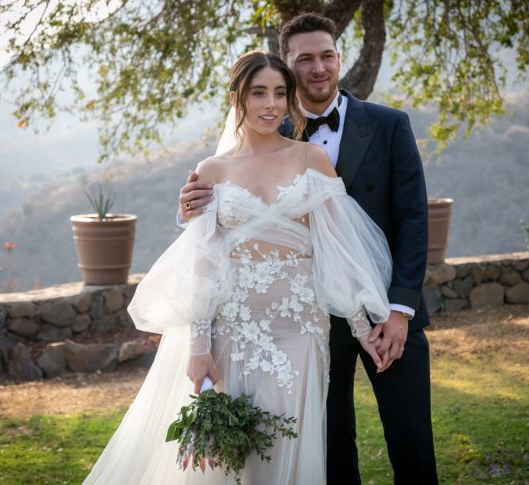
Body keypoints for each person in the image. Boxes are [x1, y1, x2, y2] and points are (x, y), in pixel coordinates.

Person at [83, 50, 395, 485]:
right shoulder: (212, 169)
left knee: (287, 444)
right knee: (237, 456)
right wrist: (198, 346)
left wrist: (363, 329)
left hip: (300, 329)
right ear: (238, 98)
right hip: (233, 327)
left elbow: (336, 250)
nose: (271, 104)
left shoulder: (312, 160)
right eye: (259, 93)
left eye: (281, 93)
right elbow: (204, 263)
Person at [178, 13, 438, 485]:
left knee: (411, 439)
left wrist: (395, 310)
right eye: (304, 60)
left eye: (326, 56)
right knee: (327, 449)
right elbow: (215, 233)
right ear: (288, 67)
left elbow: (413, 220)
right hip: (305, 321)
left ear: (339, 58)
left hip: (382, 314)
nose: (318, 68)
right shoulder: (269, 134)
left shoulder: (389, 124)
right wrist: (190, 204)